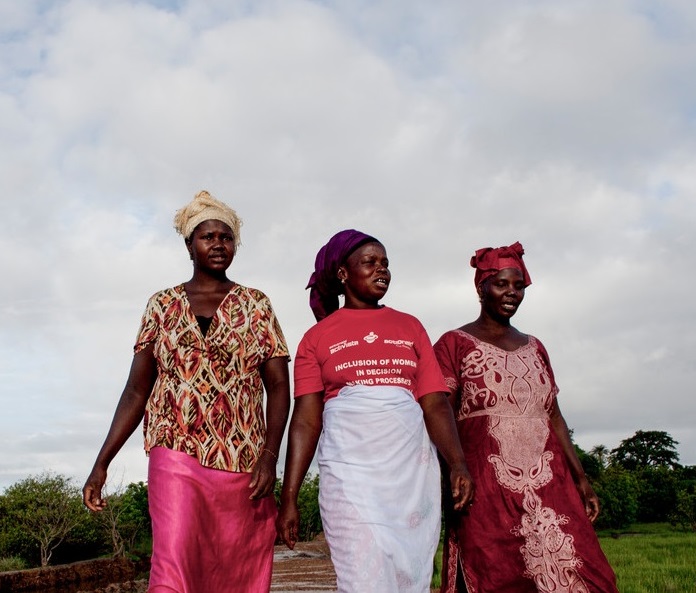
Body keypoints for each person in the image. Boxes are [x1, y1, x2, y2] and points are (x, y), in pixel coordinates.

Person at [83, 190, 291, 593]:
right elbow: (135, 391)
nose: (218, 244)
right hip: (174, 448)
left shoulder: (256, 305)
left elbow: (279, 386)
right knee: (174, 561)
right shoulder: (161, 305)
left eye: (226, 237)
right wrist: (101, 462)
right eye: (208, 236)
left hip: (243, 458)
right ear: (189, 245)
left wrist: (269, 457)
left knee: (238, 570)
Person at [276, 229, 474, 593]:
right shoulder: (317, 338)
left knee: (406, 575)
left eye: (385, 263)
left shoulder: (410, 326)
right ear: (342, 274)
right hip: (349, 478)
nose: (381, 269)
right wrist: (289, 496)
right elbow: (305, 419)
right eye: (370, 263)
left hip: (409, 479)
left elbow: (433, 401)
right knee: (361, 577)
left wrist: (457, 462)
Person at [433, 242, 619, 593]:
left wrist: (581, 478)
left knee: (582, 573)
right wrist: (455, 468)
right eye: (502, 284)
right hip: (486, 487)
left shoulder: (536, 347)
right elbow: (438, 408)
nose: (512, 293)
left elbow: (554, 415)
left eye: (519, 286)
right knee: (495, 572)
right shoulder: (453, 344)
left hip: (551, 485)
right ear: (481, 287)